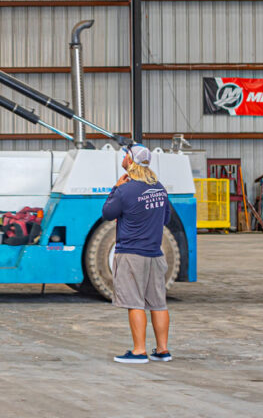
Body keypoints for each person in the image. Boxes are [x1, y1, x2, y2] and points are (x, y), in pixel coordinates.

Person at [103, 144, 175, 365]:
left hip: (131, 254)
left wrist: (115, 188)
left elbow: (107, 213)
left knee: (135, 303)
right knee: (158, 303)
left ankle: (139, 351)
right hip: (155, 253)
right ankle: (162, 350)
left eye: (126, 154)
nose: (123, 157)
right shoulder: (159, 189)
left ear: (131, 161)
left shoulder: (125, 190)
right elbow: (166, 218)